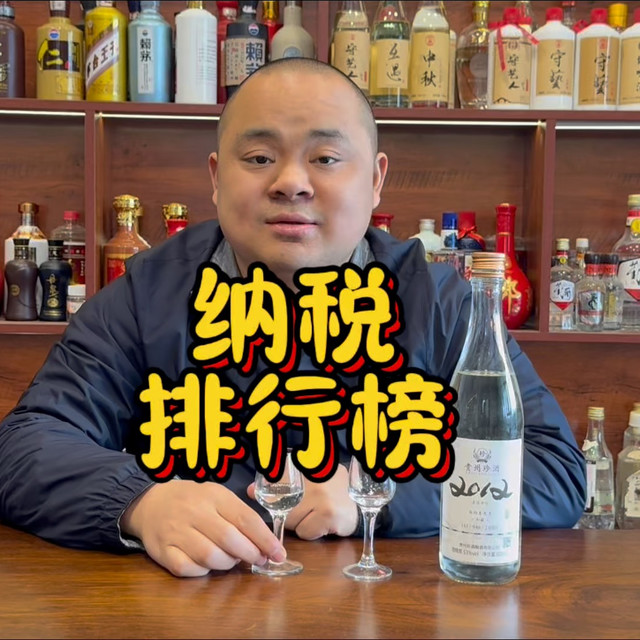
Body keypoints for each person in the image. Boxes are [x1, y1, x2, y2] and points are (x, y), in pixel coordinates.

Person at [0, 58, 586, 578]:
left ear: (375, 180)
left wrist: (375, 495)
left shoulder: (443, 304)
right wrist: (138, 502)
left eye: (326, 158)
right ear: (216, 177)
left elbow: (554, 470)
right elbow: (24, 446)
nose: (291, 184)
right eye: (259, 158)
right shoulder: (145, 295)